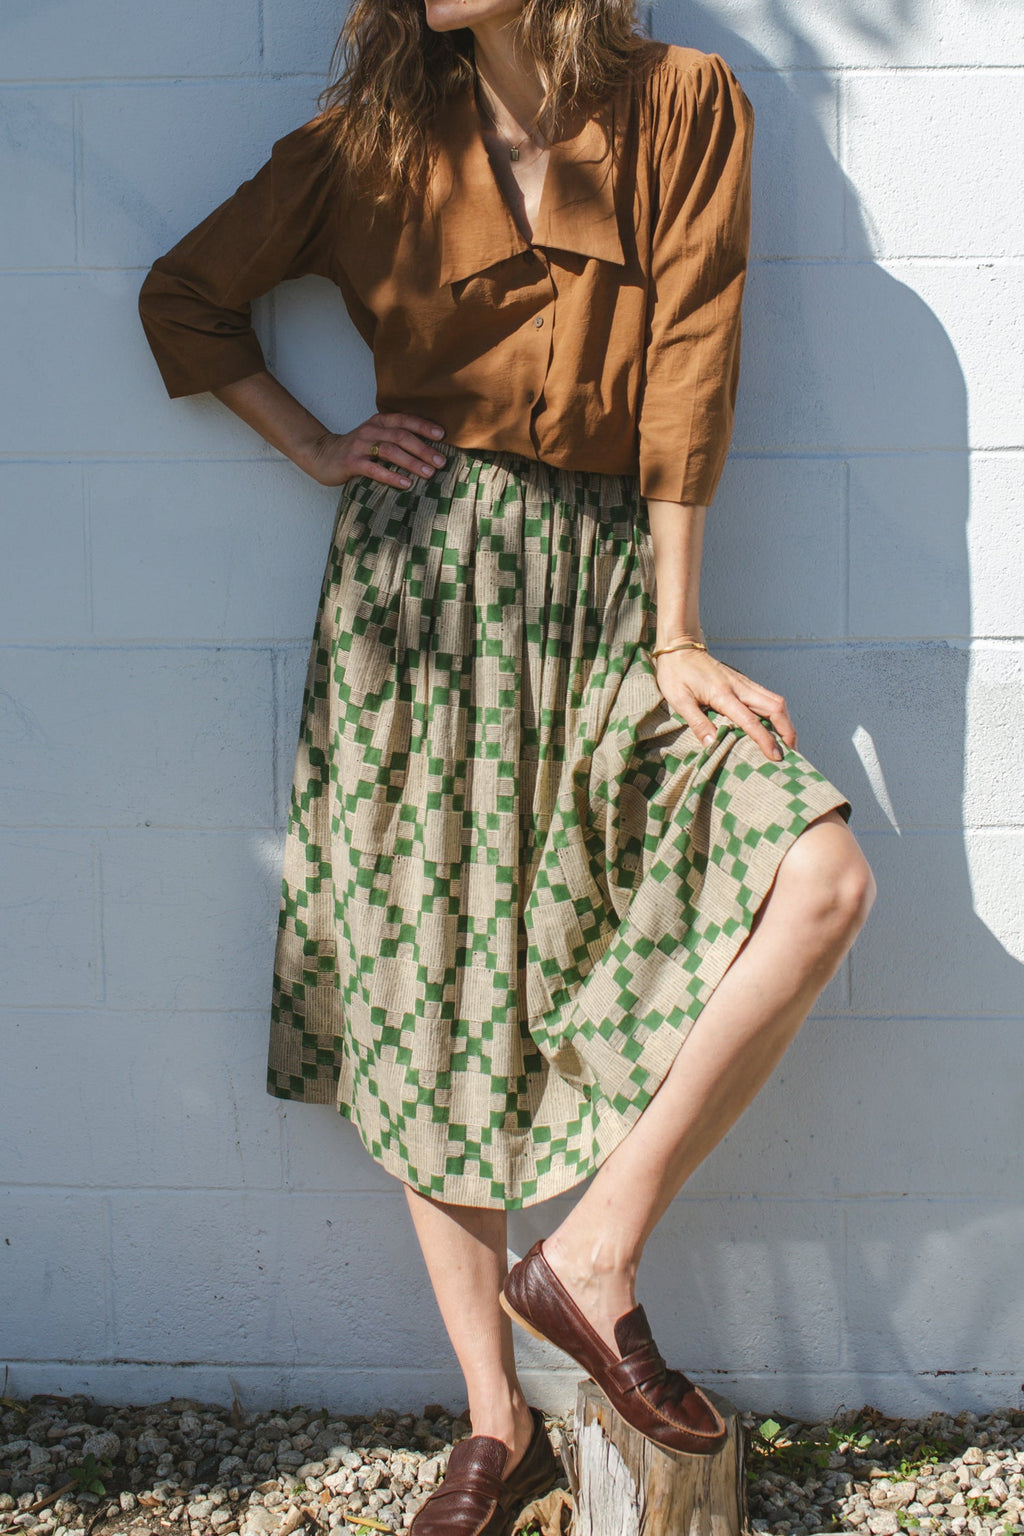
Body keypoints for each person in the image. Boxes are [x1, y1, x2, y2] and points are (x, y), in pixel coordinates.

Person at [139, 0, 876, 1526]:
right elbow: (187, 297)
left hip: (617, 598)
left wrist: (679, 637)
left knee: (817, 874)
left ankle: (592, 1261)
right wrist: (314, 443)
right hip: (423, 598)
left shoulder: (682, 106)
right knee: (432, 991)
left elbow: (690, 371)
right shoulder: (374, 142)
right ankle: (496, 1421)